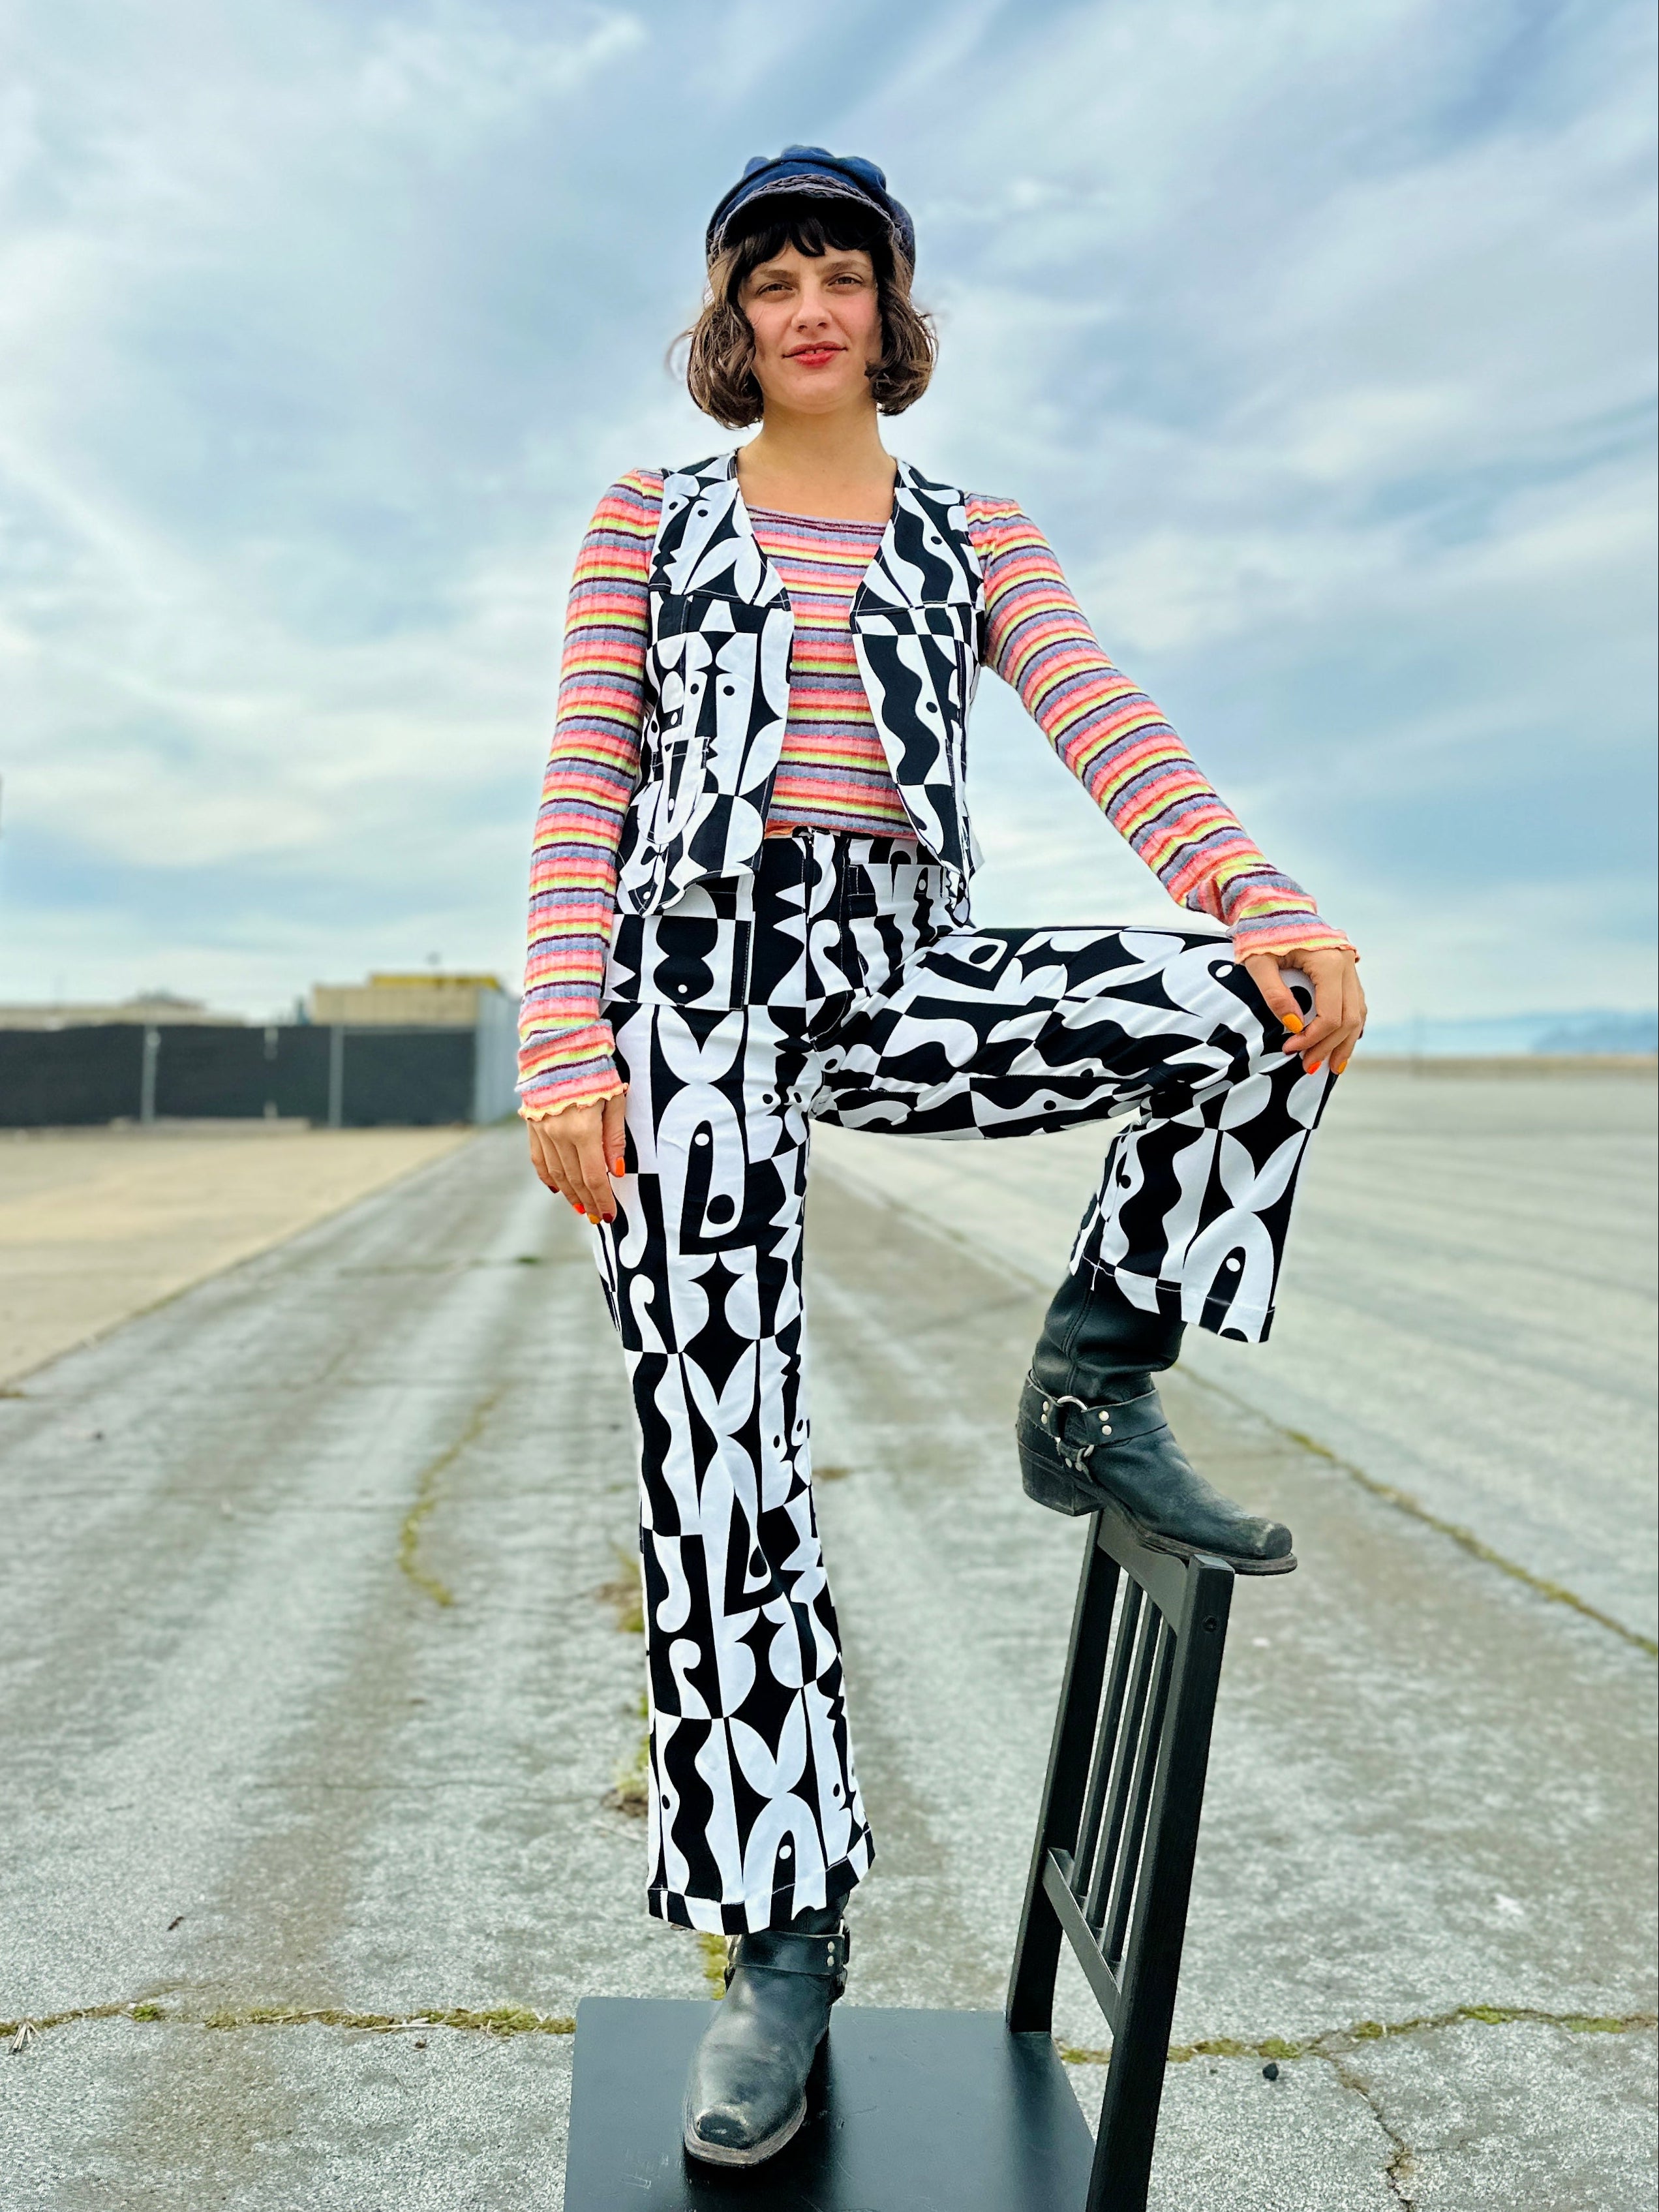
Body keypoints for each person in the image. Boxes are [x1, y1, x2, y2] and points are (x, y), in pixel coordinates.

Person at [519, 144, 1364, 2170]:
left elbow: (1102, 719)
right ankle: (781, 1949)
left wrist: (1261, 897)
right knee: (718, 1479)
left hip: (907, 961)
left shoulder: (974, 528)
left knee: (1267, 1007)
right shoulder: (652, 515)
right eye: (772, 279)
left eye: (842, 274)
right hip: (694, 996)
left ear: (896, 310)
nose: (809, 307)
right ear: (733, 322)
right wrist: (568, 1032)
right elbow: (583, 776)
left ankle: (1096, 1376)